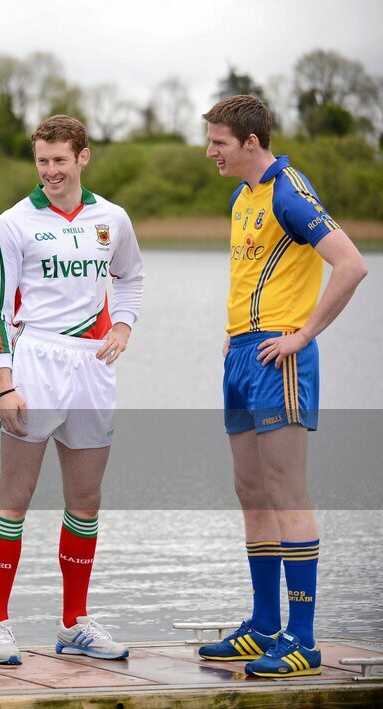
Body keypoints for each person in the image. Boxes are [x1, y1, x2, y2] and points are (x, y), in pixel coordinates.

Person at [198, 95, 367, 677]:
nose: (211, 151)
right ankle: (265, 627)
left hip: (280, 355)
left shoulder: (287, 189)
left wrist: (302, 335)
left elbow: (351, 265)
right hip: (243, 352)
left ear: (251, 141)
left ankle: (302, 639)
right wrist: (235, 333)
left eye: (219, 142)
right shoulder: (242, 197)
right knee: (250, 489)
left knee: (286, 490)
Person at [0, 115, 143, 665]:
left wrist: (123, 324)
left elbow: (131, 277)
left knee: (86, 501)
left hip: (93, 366)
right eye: (42, 160)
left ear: (83, 158)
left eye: (59, 160)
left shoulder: (112, 219)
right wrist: (5, 384)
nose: (50, 171)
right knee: (15, 500)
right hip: (36, 365)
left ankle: (74, 623)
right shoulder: (14, 222)